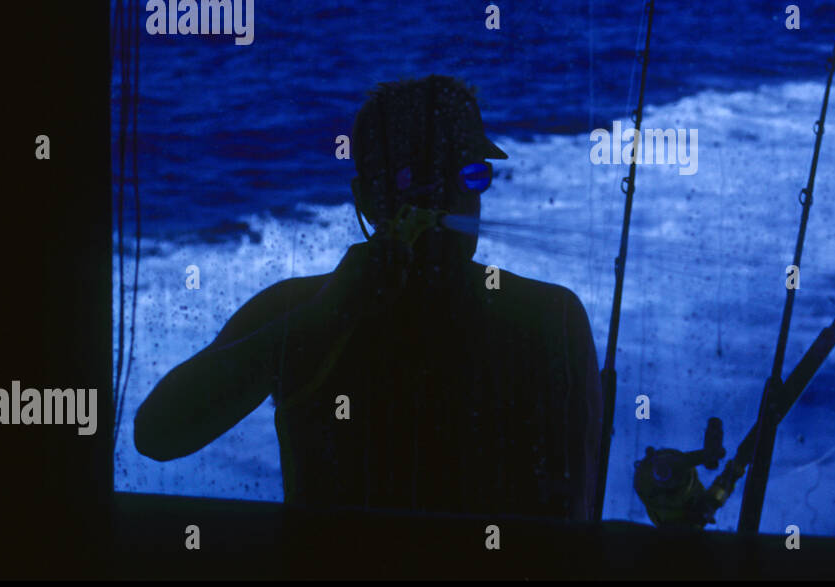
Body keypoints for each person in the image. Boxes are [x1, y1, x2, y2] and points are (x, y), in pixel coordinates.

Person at [134, 75, 603, 521]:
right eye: (415, 181)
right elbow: (156, 432)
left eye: (465, 176)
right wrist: (330, 312)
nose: (446, 199)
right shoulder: (549, 317)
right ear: (365, 199)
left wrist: (326, 313)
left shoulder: (291, 306)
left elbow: (158, 435)